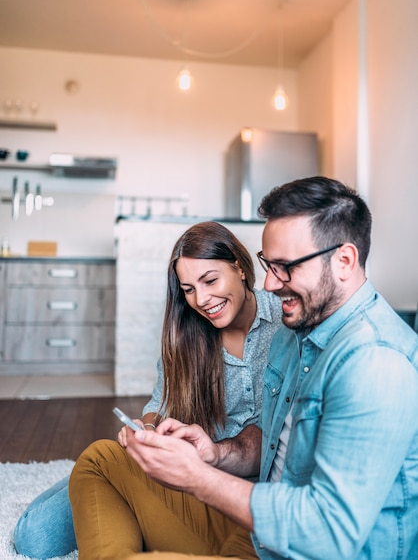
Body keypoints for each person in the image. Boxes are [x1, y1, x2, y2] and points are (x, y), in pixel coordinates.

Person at [69, 176, 418, 560]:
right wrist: (213, 455)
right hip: (257, 530)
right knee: (100, 461)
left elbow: (328, 534)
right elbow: (268, 440)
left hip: (294, 548)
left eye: (285, 267)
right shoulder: (297, 331)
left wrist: (199, 479)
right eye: (269, 264)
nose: (268, 283)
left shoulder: (375, 363)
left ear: (344, 261)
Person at [14, 221, 282, 559]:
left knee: (100, 464)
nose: (202, 299)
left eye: (210, 280)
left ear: (240, 268)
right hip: (188, 474)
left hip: (231, 491)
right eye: (188, 289)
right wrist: (149, 426)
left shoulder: (284, 325)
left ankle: (122, 496)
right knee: (35, 538)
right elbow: (161, 401)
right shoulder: (188, 333)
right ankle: (119, 491)